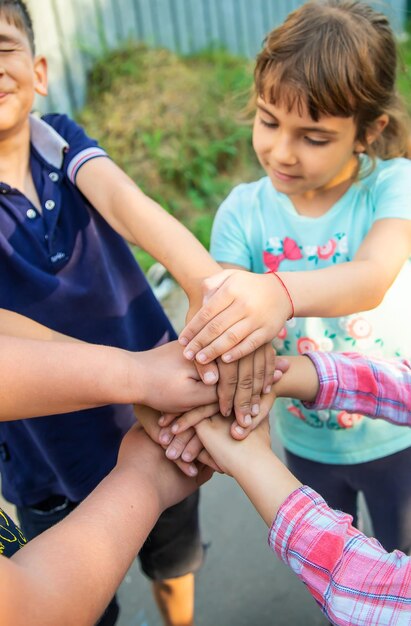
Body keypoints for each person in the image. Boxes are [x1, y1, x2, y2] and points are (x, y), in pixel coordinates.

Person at [0, 2, 275, 623]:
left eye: (2, 47)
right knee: (76, 592)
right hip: (45, 449)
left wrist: (216, 290)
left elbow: (128, 203)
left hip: (159, 415)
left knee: (174, 566)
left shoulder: (61, 139)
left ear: (39, 70)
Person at [178, 0, 411, 556]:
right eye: (268, 121)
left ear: (368, 129)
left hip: (398, 434)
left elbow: (373, 277)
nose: (281, 152)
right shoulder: (241, 212)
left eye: (313, 136)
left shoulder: (391, 185)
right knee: (333, 574)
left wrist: (274, 292)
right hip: (305, 443)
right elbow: (222, 318)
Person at [0, 327, 214, 626]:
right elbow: (29, 611)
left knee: (174, 567)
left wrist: (136, 375)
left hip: (144, 406)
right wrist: (146, 480)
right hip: (47, 472)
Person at [195, 349, 411, 626]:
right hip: (306, 445)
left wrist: (252, 460)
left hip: (388, 455)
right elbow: (398, 382)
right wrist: (275, 378)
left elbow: (373, 596)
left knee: (399, 536)